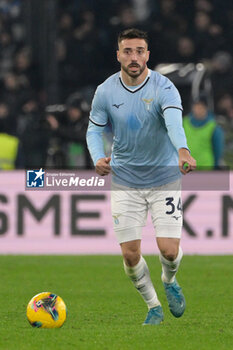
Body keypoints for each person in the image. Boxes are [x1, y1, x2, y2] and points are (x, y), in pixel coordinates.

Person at [86, 28, 196, 325]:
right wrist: (97, 156)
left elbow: (174, 123)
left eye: (139, 51)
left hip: (164, 178)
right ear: (118, 54)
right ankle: (153, 306)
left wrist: (182, 151)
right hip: (125, 180)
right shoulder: (106, 91)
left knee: (169, 251)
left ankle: (170, 281)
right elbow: (94, 129)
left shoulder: (164, 87)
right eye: (128, 51)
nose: (133, 57)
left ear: (147, 54)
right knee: (131, 256)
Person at [183, 96, 224, 169]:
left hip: (205, 167)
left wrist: (216, 166)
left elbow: (218, 150)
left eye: (201, 107)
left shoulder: (214, 127)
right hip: (186, 166)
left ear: (206, 108)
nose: (198, 110)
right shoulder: (184, 123)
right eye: (196, 106)